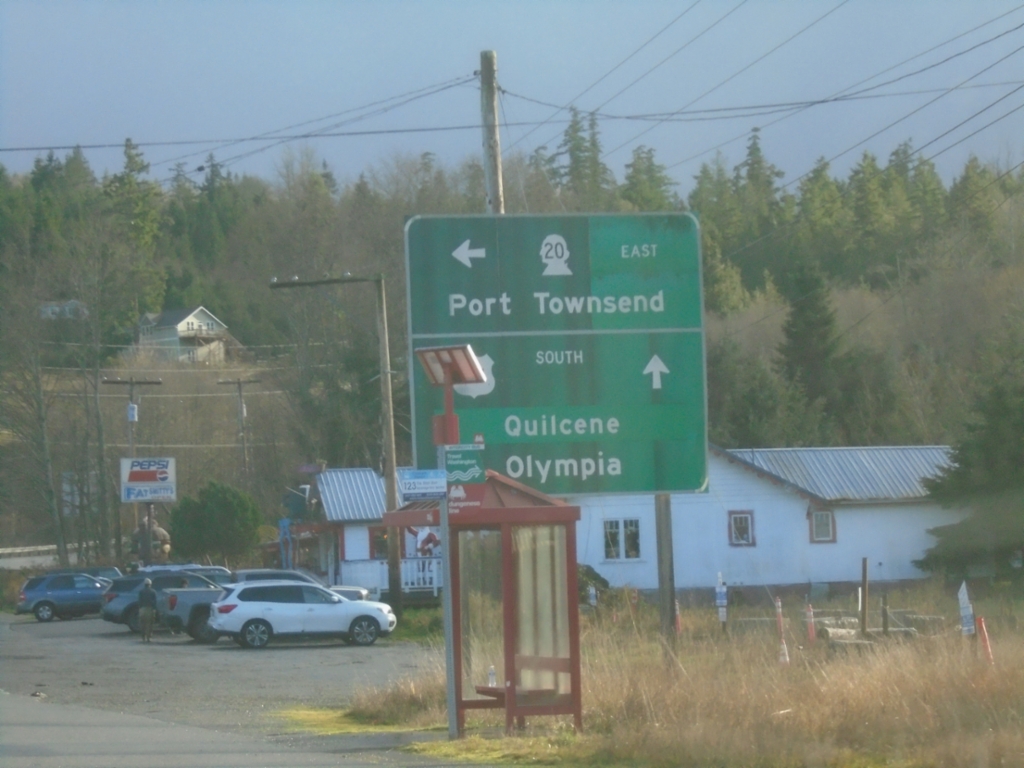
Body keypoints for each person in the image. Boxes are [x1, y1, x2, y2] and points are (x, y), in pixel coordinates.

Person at [138, 578, 157, 643]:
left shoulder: (141, 591)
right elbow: (155, 602)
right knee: (149, 624)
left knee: (142, 624)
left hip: (142, 609)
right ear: (150, 584)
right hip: (150, 609)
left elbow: (139, 601)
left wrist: (140, 609)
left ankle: (143, 637)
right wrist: (154, 609)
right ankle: (149, 638)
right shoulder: (153, 591)